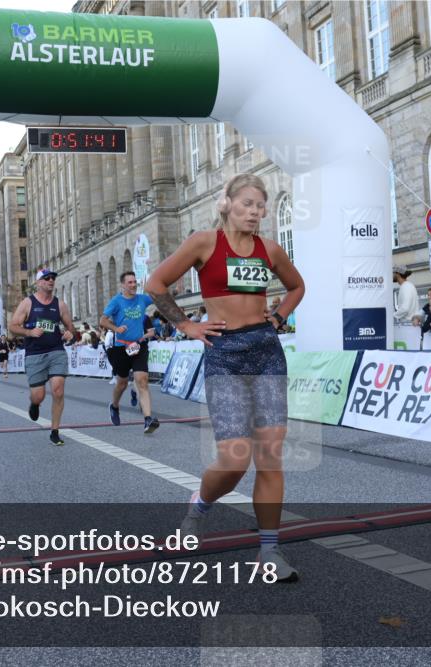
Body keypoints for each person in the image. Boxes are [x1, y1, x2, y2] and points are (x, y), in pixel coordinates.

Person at [145, 173, 305, 582]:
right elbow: (156, 284)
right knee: (235, 458)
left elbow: (296, 286)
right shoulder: (204, 242)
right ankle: (198, 507)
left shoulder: (269, 248)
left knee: (270, 457)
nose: (255, 212)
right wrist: (186, 326)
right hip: (225, 354)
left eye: (260, 206)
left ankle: (269, 552)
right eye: (247, 203)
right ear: (228, 203)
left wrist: (280, 315)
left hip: (266, 352)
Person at [8, 268, 75, 446]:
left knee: (58, 390)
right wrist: (29, 331)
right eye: (46, 278)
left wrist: (70, 333)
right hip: (35, 354)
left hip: (56, 351)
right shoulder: (27, 303)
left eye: (52, 278)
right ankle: (34, 404)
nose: (51, 281)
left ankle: (55, 431)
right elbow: (13, 327)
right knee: (39, 396)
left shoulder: (60, 305)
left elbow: (71, 327)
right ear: (38, 283)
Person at [100, 271, 160, 434]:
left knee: (142, 380)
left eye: (135, 282)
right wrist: (116, 328)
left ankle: (148, 419)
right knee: (122, 383)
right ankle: (114, 406)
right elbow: (103, 320)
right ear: (123, 285)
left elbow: (157, 296)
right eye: (130, 283)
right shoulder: (116, 301)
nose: (133, 285)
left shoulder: (142, 298)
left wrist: (163, 286)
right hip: (121, 347)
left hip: (139, 345)